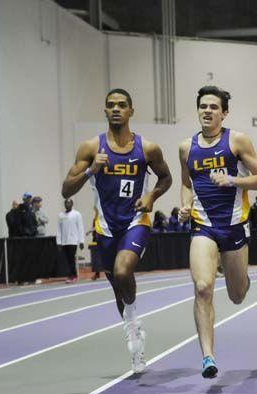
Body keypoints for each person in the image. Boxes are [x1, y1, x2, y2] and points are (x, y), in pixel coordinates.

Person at [62, 88, 172, 373]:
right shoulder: (91, 148)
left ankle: (133, 323)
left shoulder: (147, 149)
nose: (116, 109)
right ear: (105, 110)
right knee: (117, 289)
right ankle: (134, 336)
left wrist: (151, 197)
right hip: (106, 228)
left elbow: (166, 178)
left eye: (122, 105)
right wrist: (90, 171)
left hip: (136, 222)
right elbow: (66, 188)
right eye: (111, 105)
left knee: (124, 272)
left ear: (131, 111)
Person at [178, 85, 257, 378]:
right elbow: (186, 183)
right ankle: (208, 357)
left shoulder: (237, 141)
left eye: (214, 107)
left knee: (237, 294)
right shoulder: (186, 148)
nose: (207, 111)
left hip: (234, 227)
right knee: (203, 287)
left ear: (224, 112)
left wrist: (232, 180)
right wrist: (184, 205)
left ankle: (242, 279)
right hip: (203, 227)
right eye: (203, 106)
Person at [56, 199, 85, 284]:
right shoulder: (61, 215)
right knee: (67, 260)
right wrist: (59, 242)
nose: (67, 204)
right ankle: (70, 275)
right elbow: (59, 229)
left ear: (72, 204)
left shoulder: (76, 214)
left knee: (71, 259)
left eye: (69, 203)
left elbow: (80, 228)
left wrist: (81, 241)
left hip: (73, 241)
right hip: (64, 242)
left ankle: (74, 276)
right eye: (66, 203)